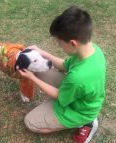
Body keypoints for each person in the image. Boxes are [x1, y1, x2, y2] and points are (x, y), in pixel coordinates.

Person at [18, 6, 106, 143]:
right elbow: (64, 65)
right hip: (79, 93)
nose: (59, 46)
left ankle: (86, 122)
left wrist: (32, 78)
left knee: (30, 122)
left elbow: (59, 96)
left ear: (73, 43)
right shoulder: (92, 50)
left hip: (80, 110)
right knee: (40, 70)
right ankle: (66, 104)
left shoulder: (78, 77)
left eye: (59, 43)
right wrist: (41, 52)